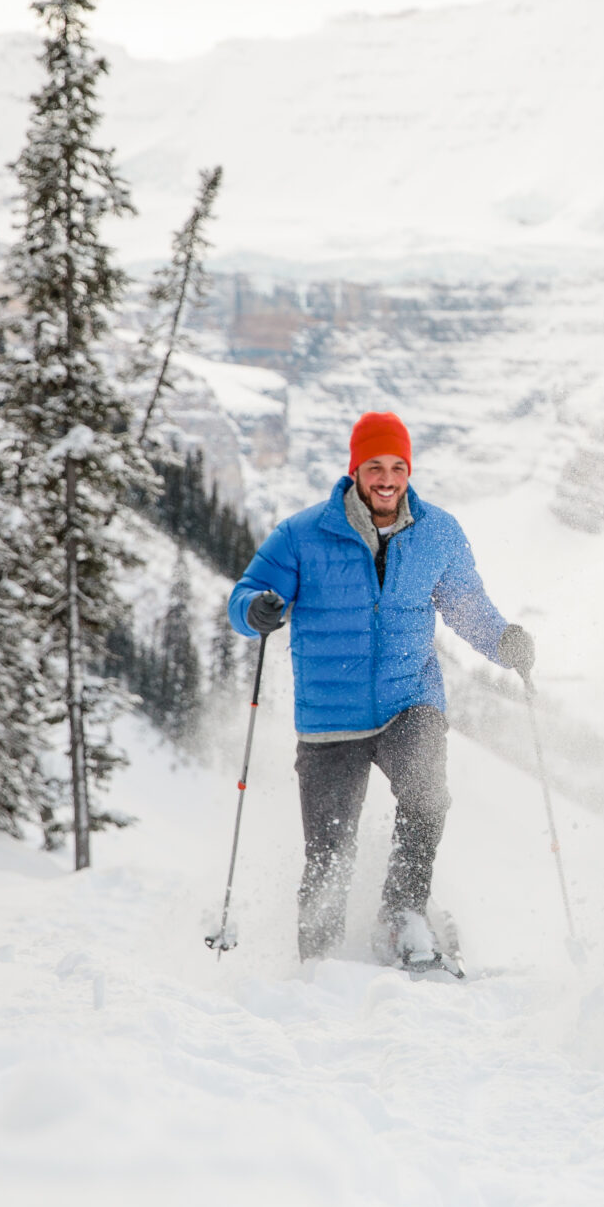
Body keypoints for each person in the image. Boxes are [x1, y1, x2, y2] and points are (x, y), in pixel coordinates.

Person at [229, 411, 534, 971]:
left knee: (426, 796)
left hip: (408, 701)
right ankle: (319, 967)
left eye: (398, 467)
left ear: (409, 470)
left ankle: (402, 916)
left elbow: (466, 604)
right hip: (330, 718)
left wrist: (503, 641)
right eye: (375, 467)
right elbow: (247, 595)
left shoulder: (437, 532)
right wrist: (255, 609)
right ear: (355, 471)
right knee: (328, 854)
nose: (387, 479)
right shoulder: (302, 535)